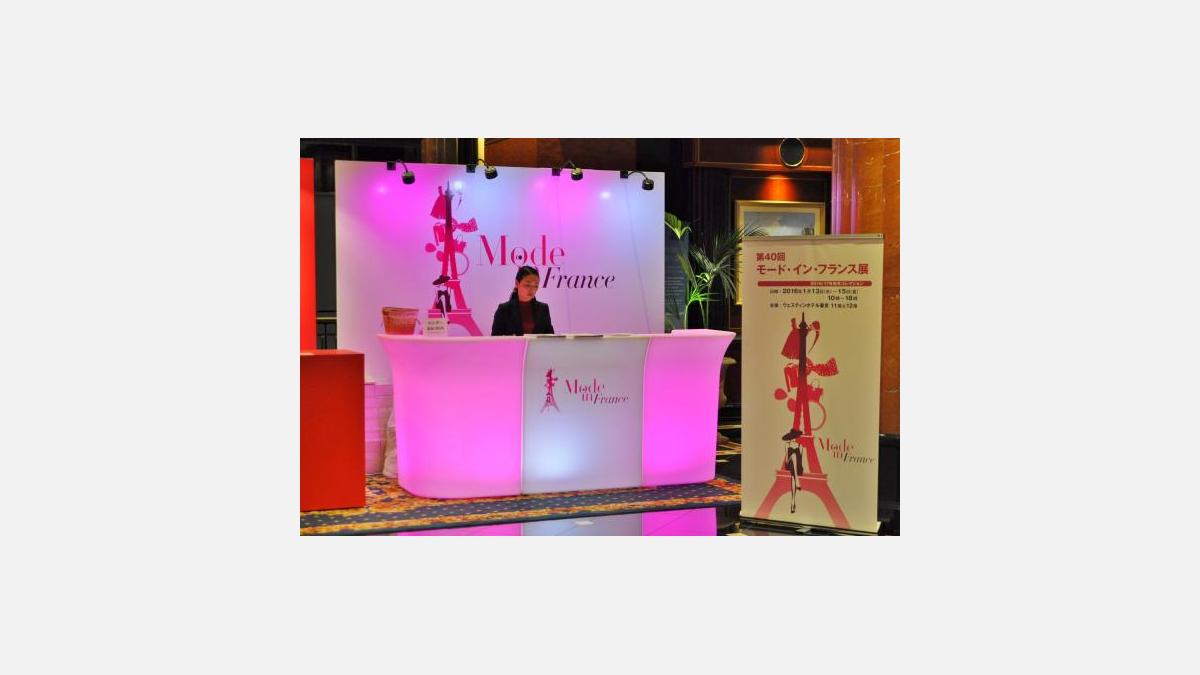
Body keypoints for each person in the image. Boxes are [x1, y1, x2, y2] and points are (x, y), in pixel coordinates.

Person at [491, 266, 554, 336]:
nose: (532, 289)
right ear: (517, 283)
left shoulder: (543, 309)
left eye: (536, 286)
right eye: (528, 285)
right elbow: (495, 339)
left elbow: (550, 337)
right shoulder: (504, 309)